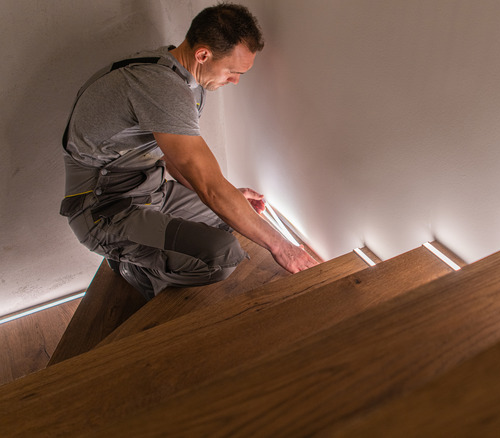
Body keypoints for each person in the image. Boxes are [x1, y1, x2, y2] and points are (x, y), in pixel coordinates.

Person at [60, 3, 318, 301]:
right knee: (222, 256)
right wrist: (282, 247)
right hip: (105, 208)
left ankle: (147, 246)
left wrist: (231, 195)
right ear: (203, 54)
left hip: (151, 189)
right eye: (233, 72)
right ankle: (131, 267)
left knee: (229, 217)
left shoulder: (186, 81)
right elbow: (209, 186)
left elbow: (176, 160)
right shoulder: (162, 87)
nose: (235, 81)